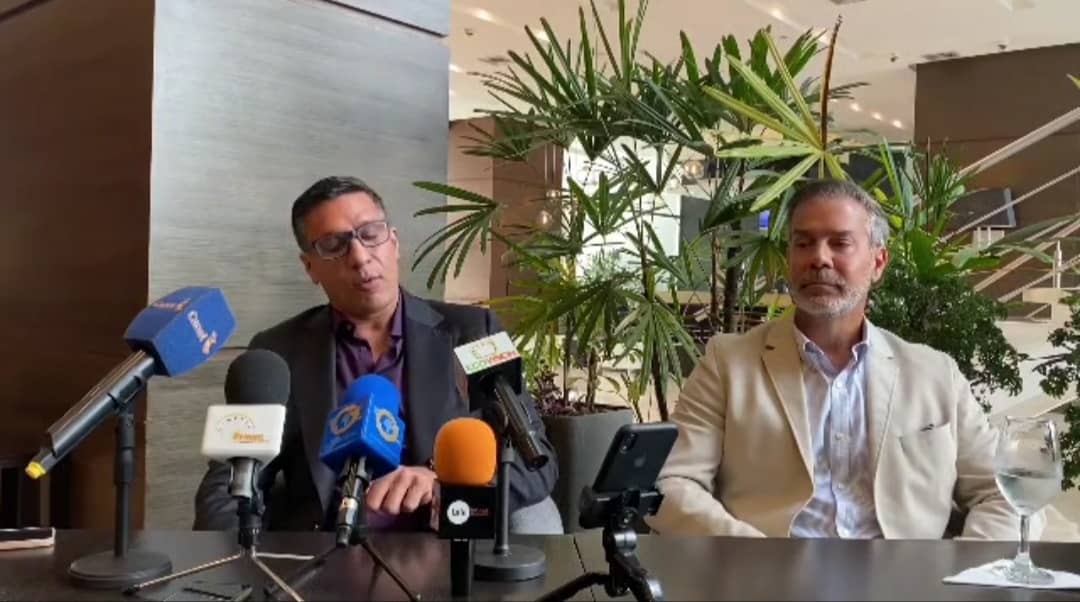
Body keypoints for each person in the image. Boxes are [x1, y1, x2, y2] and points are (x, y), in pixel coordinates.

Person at [648, 179, 1038, 540]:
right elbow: (673, 483)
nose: (819, 258)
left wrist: (960, 571)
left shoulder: (934, 374)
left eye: (840, 243)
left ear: (878, 262)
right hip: (769, 573)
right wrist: (752, 556)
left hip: (901, 577)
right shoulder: (729, 364)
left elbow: (1008, 494)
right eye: (803, 243)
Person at [194, 176, 557, 532]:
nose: (359, 256)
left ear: (394, 243)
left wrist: (443, 486)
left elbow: (535, 459)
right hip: (325, 550)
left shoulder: (476, 331)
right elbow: (227, 482)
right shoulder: (278, 350)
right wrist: (233, 559)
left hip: (444, 544)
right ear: (310, 267)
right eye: (334, 245)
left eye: (370, 234)